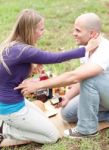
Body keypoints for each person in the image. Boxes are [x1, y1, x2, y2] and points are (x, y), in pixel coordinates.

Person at [0, 9, 98, 145]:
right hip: (12, 109)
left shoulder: (14, 46)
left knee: (45, 121)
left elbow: (10, 76)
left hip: (11, 103)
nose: (43, 32)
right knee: (52, 137)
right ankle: (5, 129)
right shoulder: (25, 51)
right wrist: (85, 49)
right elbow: (56, 57)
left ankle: (8, 124)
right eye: (41, 29)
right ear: (30, 30)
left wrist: (32, 69)